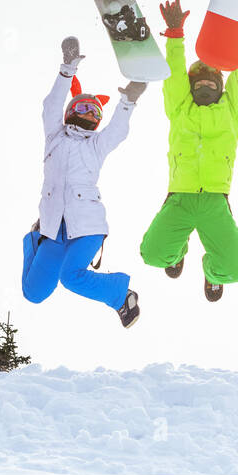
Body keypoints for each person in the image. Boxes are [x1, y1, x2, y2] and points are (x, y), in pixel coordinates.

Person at [139, 0, 238, 302]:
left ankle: (211, 273)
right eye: (199, 80)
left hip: (215, 203)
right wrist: (175, 34)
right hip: (180, 198)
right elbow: (175, 75)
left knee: (233, 271)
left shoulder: (231, 109)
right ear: (191, 86)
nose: (205, 83)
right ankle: (177, 251)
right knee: (152, 255)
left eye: (211, 80)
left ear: (220, 85)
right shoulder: (180, 107)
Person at [21, 36, 143, 326]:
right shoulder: (54, 136)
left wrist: (128, 101)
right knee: (33, 293)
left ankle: (120, 295)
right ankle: (32, 238)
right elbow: (50, 106)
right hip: (53, 229)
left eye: (95, 111)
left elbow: (118, 131)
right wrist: (67, 69)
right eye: (83, 108)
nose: (89, 113)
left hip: (87, 226)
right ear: (70, 112)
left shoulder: (96, 145)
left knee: (70, 277)